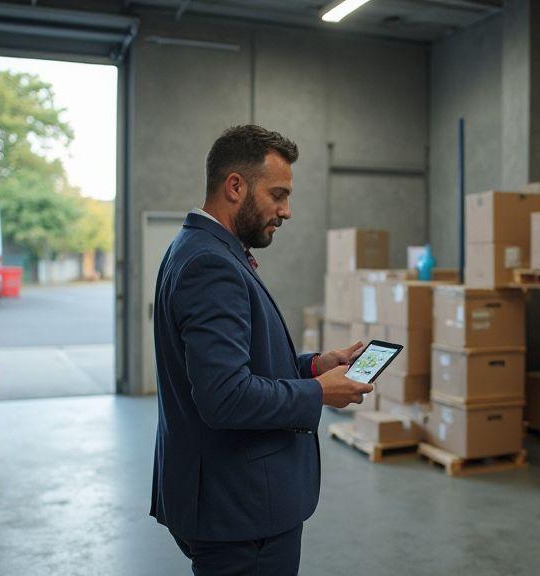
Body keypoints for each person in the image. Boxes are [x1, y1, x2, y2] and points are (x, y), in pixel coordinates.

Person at [150, 125, 373, 575]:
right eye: (278, 194)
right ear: (235, 186)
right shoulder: (211, 264)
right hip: (241, 511)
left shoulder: (200, 249)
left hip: (226, 501)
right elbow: (226, 396)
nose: (286, 211)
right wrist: (318, 394)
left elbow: (239, 366)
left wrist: (314, 366)